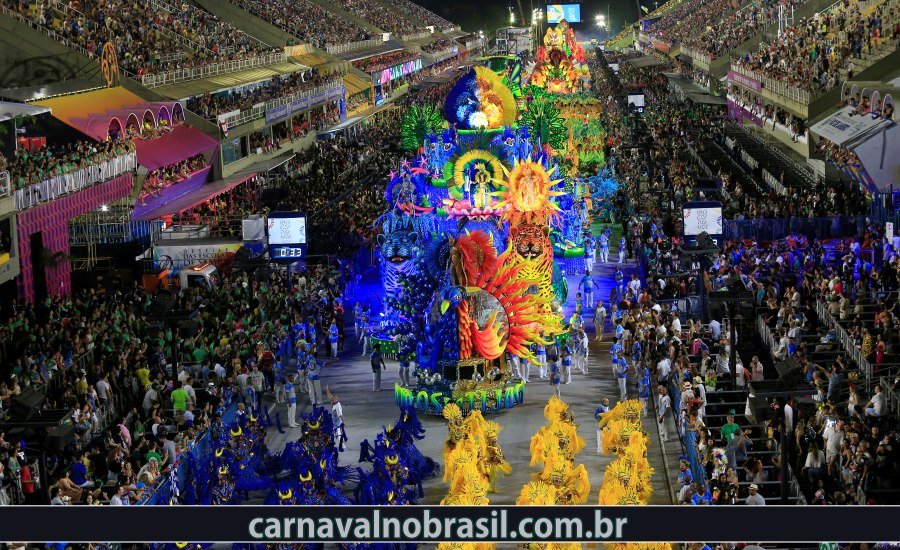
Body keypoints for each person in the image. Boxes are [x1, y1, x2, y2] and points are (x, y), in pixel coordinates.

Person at [326, 386, 345, 452]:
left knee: (339, 435)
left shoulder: (337, 406)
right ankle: (334, 444)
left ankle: (342, 445)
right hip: (334, 422)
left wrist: (343, 422)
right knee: (333, 434)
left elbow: (340, 415)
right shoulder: (334, 402)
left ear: (335, 399)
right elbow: (330, 397)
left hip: (337, 423)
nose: (331, 400)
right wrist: (327, 390)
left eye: (332, 399)